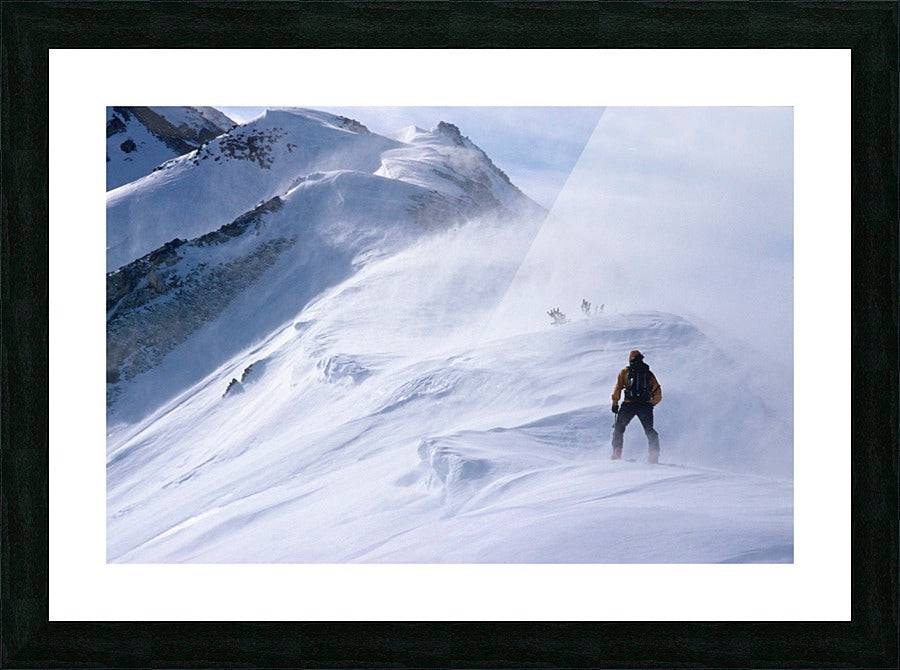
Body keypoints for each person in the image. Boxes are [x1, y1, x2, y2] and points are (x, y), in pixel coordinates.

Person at [610, 349, 662, 463]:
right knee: (649, 430)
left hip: (629, 404)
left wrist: (615, 403)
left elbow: (618, 387)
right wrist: (651, 403)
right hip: (645, 406)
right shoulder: (648, 373)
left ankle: (617, 452)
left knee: (619, 427)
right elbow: (657, 391)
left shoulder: (625, 372)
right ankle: (654, 454)